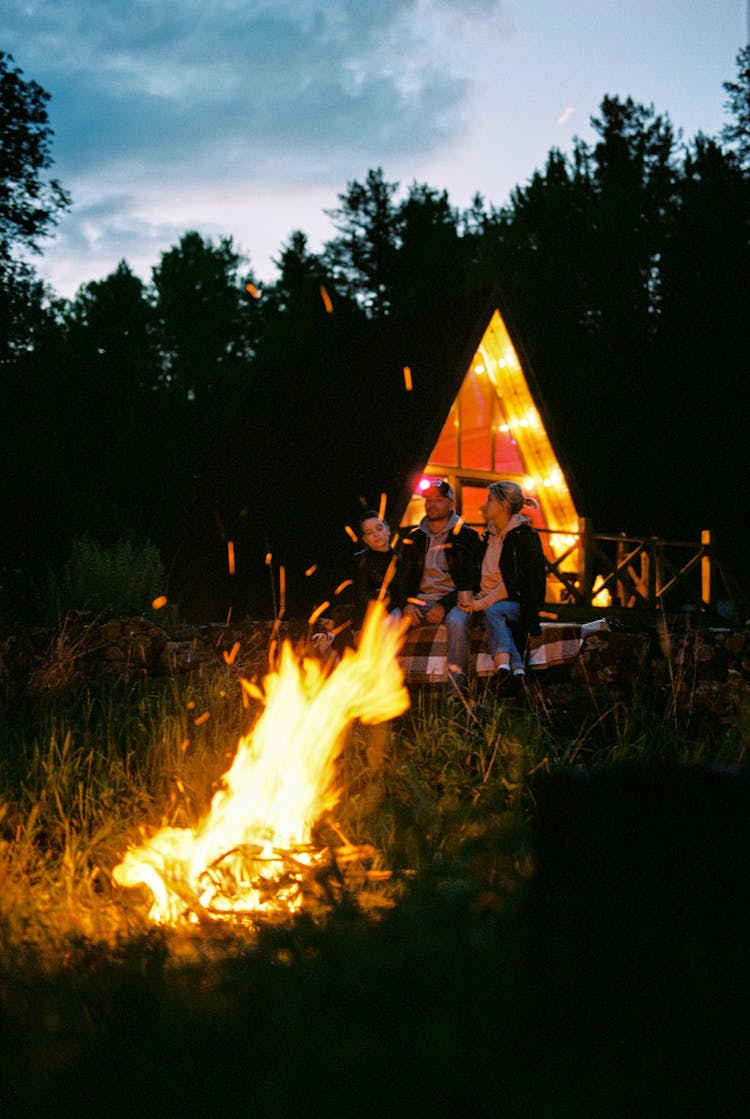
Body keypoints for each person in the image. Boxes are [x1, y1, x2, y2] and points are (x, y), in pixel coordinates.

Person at [458, 480, 546, 692]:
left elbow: (513, 584)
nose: (484, 505)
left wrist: (481, 604)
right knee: (490, 613)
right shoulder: (488, 537)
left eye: (490, 500)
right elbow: (477, 572)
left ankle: (502, 669)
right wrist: (469, 596)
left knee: (493, 611)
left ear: (504, 505)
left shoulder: (524, 537)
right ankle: (516, 671)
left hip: (518, 603)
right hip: (488, 601)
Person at [400, 480, 480, 697]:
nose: (432, 505)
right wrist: (407, 603)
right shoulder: (413, 538)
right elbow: (402, 578)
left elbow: (473, 581)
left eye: (438, 500)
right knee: (391, 623)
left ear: (451, 504)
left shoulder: (467, 536)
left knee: (457, 623)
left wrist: (444, 605)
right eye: (429, 500)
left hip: (454, 600)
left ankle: (455, 694)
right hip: (419, 600)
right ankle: (389, 691)